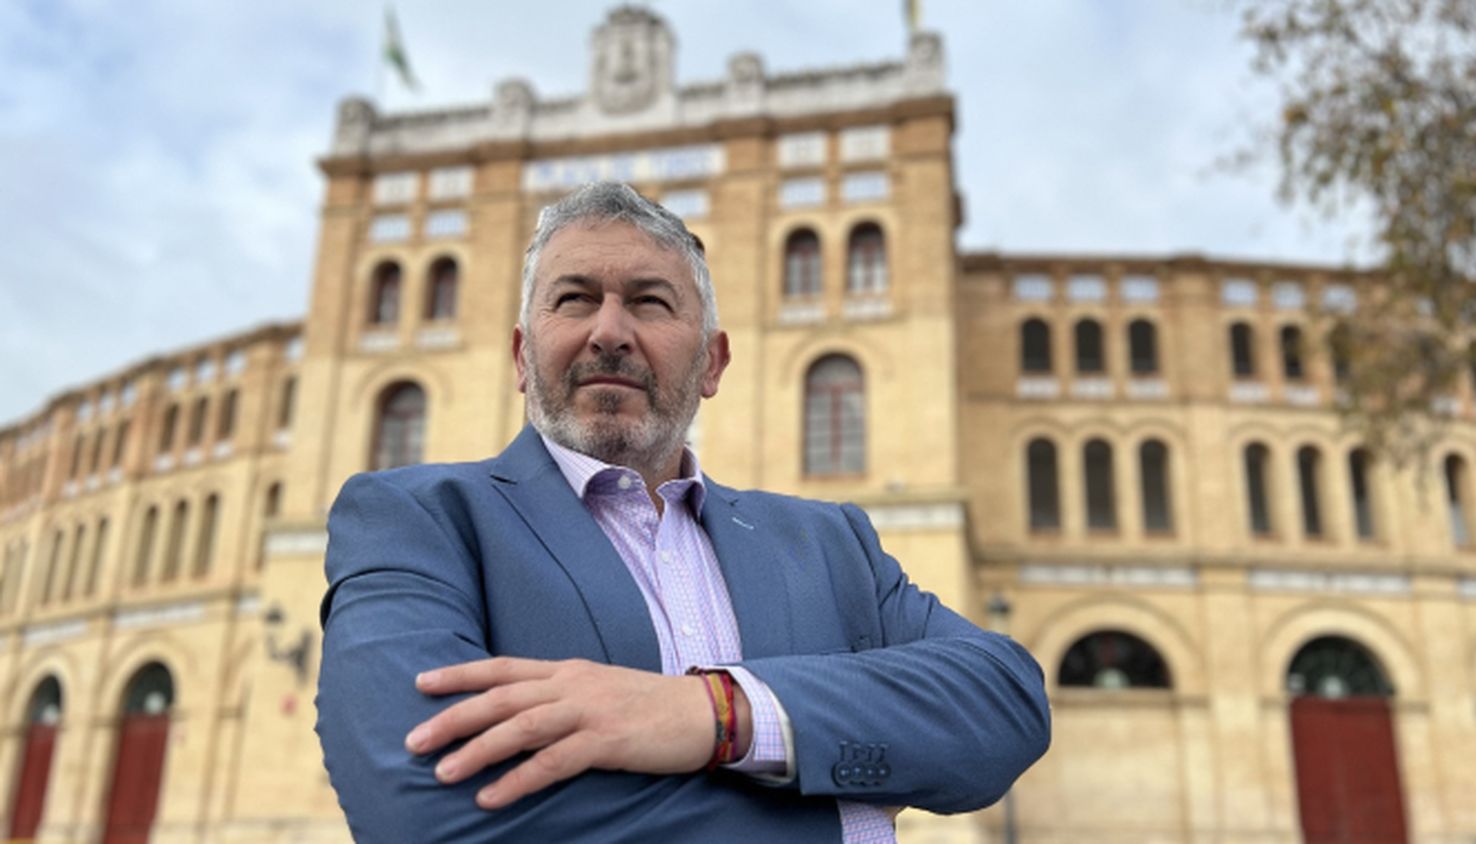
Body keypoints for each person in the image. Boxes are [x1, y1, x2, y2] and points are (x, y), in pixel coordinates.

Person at [315, 181, 1050, 843]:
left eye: (649, 301)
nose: (608, 330)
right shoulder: (419, 520)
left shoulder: (829, 542)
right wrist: (848, 823)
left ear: (712, 363)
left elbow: (1004, 703)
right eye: (573, 298)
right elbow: (418, 804)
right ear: (519, 356)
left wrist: (716, 715)